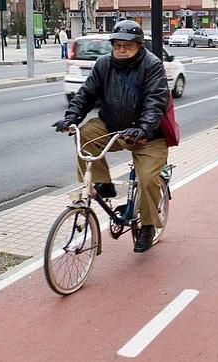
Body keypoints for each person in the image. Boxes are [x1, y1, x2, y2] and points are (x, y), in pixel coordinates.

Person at [52, 20, 169, 253]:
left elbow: (156, 101)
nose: (121, 49)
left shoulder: (152, 65)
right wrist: (72, 117)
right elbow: (86, 94)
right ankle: (103, 184)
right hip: (113, 126)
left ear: (138, 45)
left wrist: (143, 128)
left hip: (148, 135)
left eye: (127, 45)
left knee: (146, 180)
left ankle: (147, 226)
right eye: (117, 45)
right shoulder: (104, 64)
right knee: (84, 135)